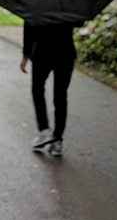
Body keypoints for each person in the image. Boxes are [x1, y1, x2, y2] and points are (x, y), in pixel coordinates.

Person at [20, 21, 80, 157]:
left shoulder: (37, 2)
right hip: (65, 52)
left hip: (42, 51)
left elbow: (29, 26)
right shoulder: (69, 2)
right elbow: (79, 22)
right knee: (60, 95)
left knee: (37, 90)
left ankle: (44, 131)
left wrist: (26, 55)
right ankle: (57, 140)